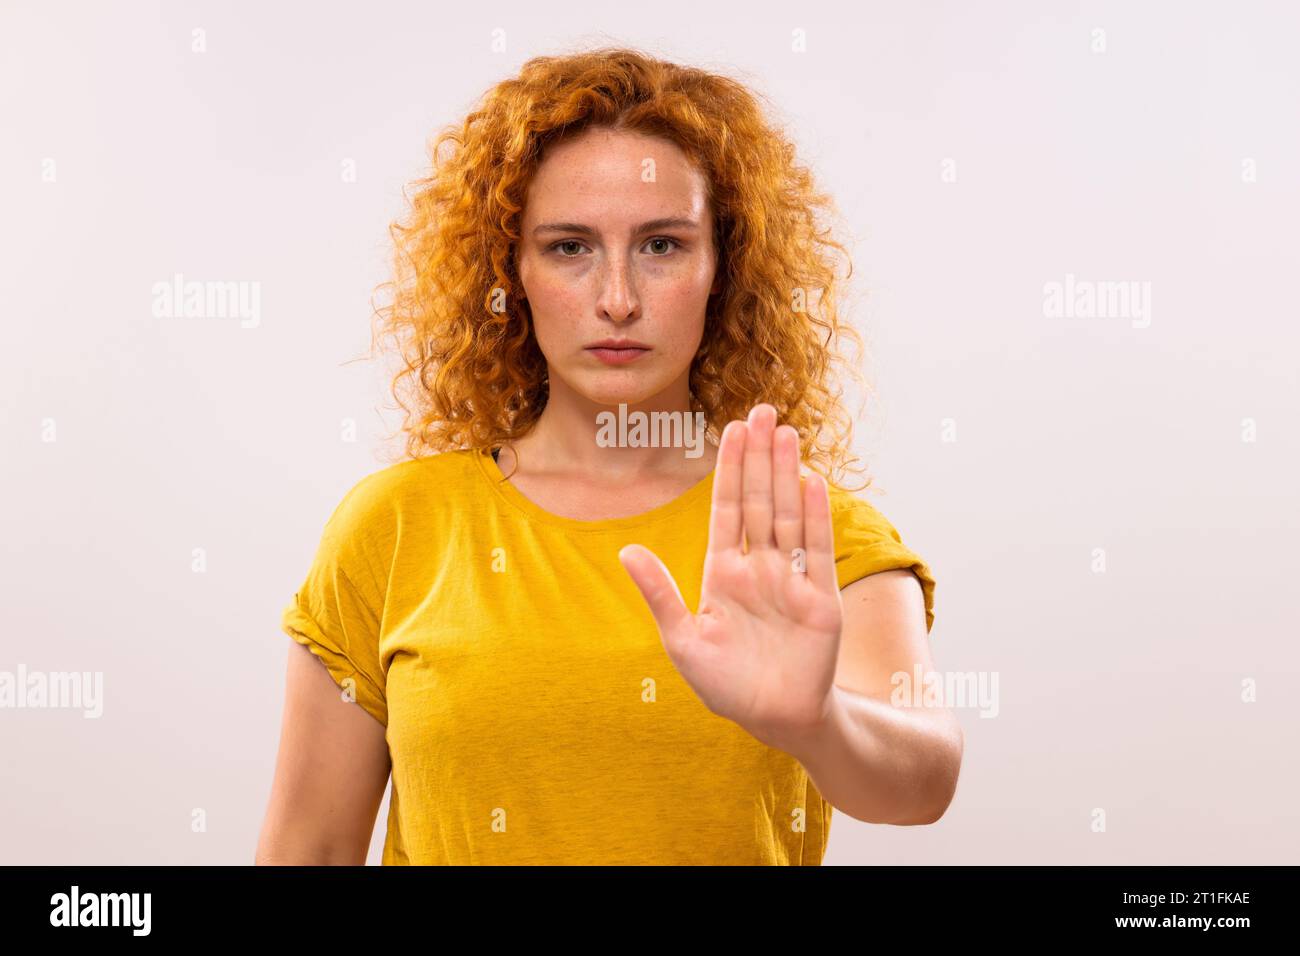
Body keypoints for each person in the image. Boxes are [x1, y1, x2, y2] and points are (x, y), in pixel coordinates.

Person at [255, 46, 961, 866]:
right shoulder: (396, 526)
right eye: (569, 247)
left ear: (721, 270)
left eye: (662, 246)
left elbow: (926, 778)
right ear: (509, 272)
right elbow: (309, 849)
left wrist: (816, 720)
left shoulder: (807, 529)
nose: (618, 298)